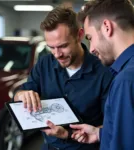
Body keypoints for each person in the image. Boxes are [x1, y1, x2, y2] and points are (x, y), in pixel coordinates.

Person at [14, 6, 113, 150]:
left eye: (63, 46)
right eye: (51, 47)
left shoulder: (104, 72)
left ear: (79, 35)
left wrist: (68, 133)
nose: (57, 54)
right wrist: (22, 95)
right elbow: (18, 96)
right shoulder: (44, 64)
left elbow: (111, 123)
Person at [70, 0, 134, 150]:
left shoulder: (126, 80)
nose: (91, 49)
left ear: (106, 27)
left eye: (90, 38)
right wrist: (100, 133)